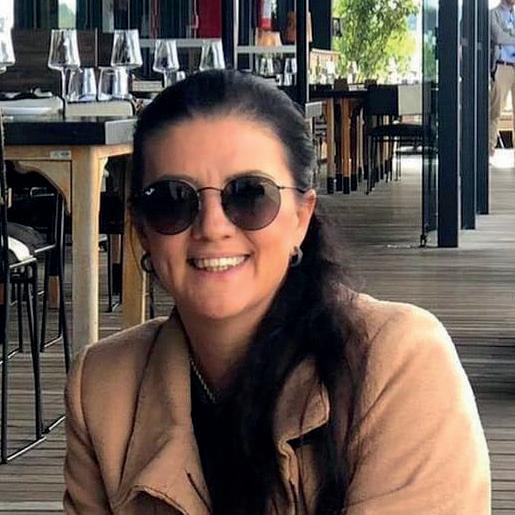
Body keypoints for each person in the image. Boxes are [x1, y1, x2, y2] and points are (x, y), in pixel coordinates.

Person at [63, 70, 491, 514]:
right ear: (142, 231)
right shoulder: (103, 387)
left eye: (249, 195)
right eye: (173, 199)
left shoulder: (398, 361)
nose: (212, 227)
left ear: (301, 218)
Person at [490, 0, 515, 157]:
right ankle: (489, 151)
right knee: (496, 110)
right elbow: (498, 36)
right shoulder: (493, 14)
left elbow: (504, 36)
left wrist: (508, 36)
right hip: (502, 65)